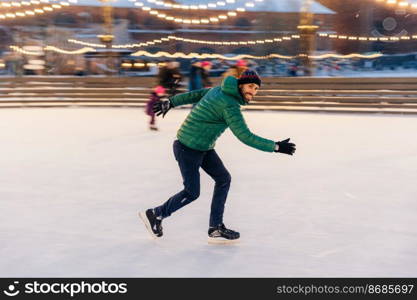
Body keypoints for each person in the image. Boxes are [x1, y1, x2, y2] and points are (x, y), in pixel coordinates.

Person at [139, 70, 296, 243]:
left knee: (223, 179)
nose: (253, 91)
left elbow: (196, 94)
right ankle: (156, 214)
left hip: (203, 147)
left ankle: (215, 228)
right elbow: (245, 136)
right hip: (187, 148)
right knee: (192, 192)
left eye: (257, 88)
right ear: (241, 84)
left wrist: (171, 102)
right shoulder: (230, 106)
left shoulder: (219, 90)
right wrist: (275, 146)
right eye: (251, 86)